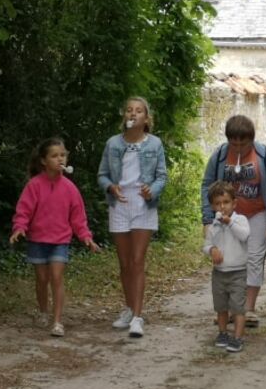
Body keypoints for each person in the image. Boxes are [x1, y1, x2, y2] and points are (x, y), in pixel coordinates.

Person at [201, 114, 266, 328]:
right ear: (228, 140)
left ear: (252, 139)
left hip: (258, 213)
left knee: (254, 258)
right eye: (234, 143)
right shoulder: (220, 156)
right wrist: (207, 218)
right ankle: (230, 308)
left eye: (244, 143)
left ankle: (247, 309)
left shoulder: (264, 155)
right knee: (230, 258)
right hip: (226, 215)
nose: (239, 147)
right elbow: (207, 185)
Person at [10, 137, 99, 337]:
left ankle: (57, 321)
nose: (60, 159)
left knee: (56, 278)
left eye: (63, 155)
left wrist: (86, 237)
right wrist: (19, 228)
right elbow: (23, 210)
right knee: (42, 279)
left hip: (60, 241)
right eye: (54, 156)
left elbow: (78, 218)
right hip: (37, 240)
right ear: (44, 161)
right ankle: (43, 311)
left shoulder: (70, 188)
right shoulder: (34, 185)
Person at [98, 96, 167, 338]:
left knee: (137, 261)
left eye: (138, 111)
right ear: (124, 116)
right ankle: (128, 309)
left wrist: (153, 190)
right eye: (129, 110)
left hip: (143, 204)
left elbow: (161, 177)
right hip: (119, 203)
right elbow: (103, 175)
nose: (133, 114)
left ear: (146, 118)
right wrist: (110, 187)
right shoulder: (113, 144)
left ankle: (138, 317)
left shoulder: (155, 144)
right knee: (125, 263)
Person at [203, 181, 250, 352]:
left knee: (238, 307)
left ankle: (238, 337)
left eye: (226, 202)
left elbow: (244, 235)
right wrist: (212, 249)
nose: (222, 207)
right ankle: (222, 333)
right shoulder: (213, 225)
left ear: (234, 203)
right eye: (217, 204)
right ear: (212, 206)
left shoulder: (240, 220)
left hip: (238, 272)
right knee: (221, 306)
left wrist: (229, 222)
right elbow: (206, 244)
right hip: (219, 273)